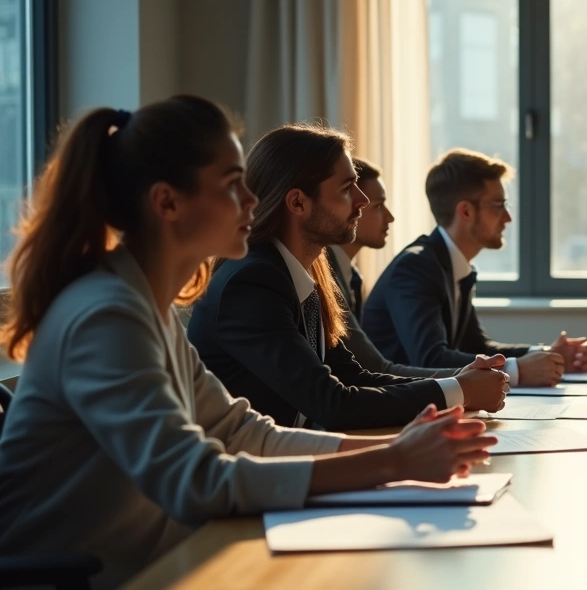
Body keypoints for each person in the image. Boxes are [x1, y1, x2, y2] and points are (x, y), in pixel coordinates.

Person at [0, 97, 495, 589]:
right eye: (232, 185)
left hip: (154, 562)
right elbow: (196, 480)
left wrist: (399, 449)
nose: (254, 201)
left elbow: (244, 434)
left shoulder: (144, 306)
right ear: (167, 202)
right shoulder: (105, 315)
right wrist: (392, 462)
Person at [188, 125, 510, 431]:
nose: (362, 200)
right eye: (346, 188)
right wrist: (458, 391)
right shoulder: (252, 283)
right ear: (298, 202)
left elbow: (352, 376)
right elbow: (331, 403)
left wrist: (456, 384)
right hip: (248, 477)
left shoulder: (300, 271)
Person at [363, 148, 587, 387]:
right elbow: (430, 358)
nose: (507, 217)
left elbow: (477, 347)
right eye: (498, 204)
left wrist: (547, 356)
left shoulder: (454, 265)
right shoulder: (415, 267)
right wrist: (518, 370)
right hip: (396, 412)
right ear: (465, 211)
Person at [323, 157, 445, 378]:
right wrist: (464, 381)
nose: (390, 217)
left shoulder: (353, 277)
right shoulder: (326, 275)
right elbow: (373, 368)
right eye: (378, 206)